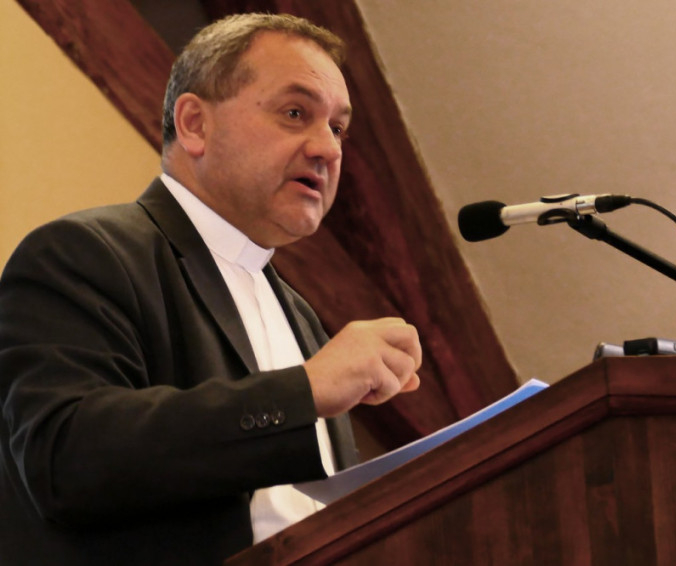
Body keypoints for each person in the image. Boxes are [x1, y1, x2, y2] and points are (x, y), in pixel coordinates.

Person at [0, 13, 421, 566]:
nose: (329, 149)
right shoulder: (84, 253)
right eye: (295, 113)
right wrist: (302, 391)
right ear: (195, 124)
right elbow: (64, 460)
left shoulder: (301, 319)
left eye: (338, 128)